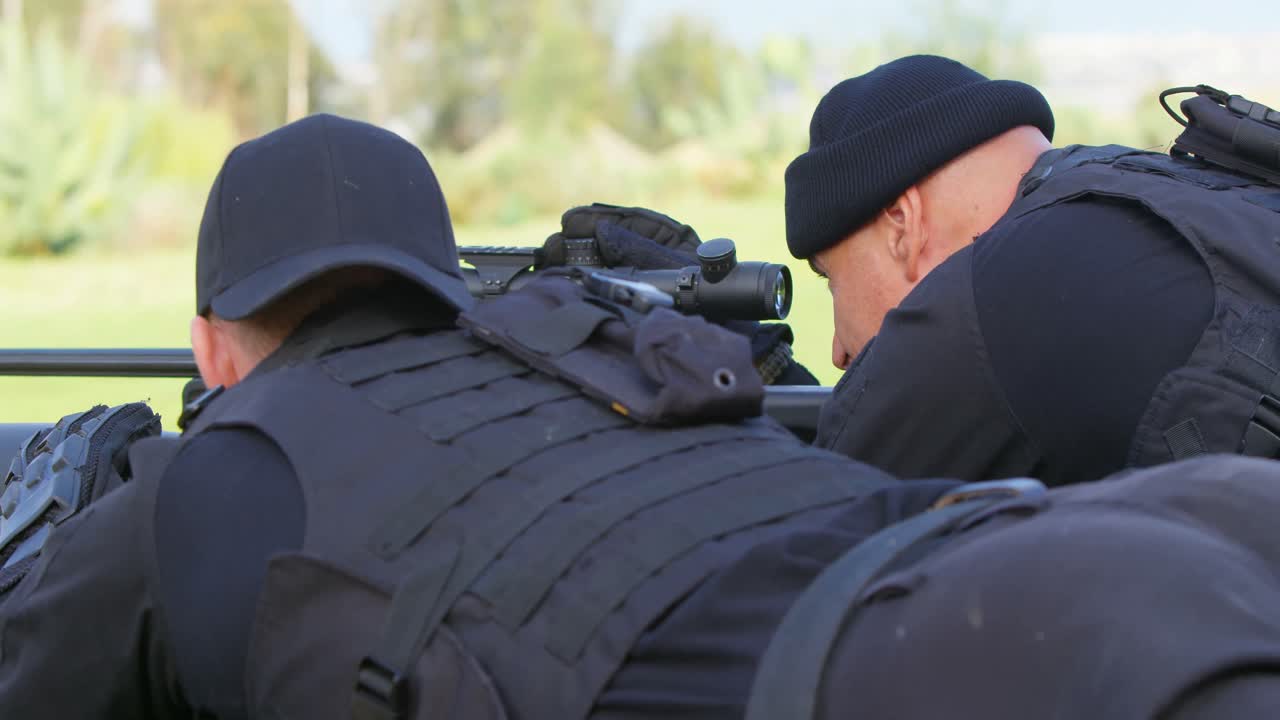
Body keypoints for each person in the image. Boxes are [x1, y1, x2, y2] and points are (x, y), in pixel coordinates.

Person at [5, 113, 1280, 720]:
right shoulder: (592, 358)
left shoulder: (191, 494)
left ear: (210, 351)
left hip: (962, 662)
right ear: (450, 293)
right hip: (1132, 541)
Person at [581, 54, 1280, 488]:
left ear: (901, 224)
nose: (836, 348)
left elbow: (823, 532)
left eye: (831, 279)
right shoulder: (1160, 195)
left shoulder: (996, 297)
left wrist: (733, 366)